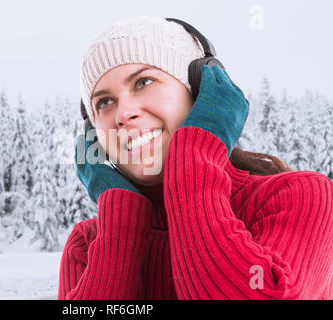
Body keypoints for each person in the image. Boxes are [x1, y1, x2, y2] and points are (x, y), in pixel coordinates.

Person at [58, 16, 332, 300]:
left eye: (144, 81)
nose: (123, 114)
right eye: (104, 102)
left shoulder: (299, 197)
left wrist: (191, 160)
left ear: (200, 91)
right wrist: (121, 223)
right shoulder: (86, 246)